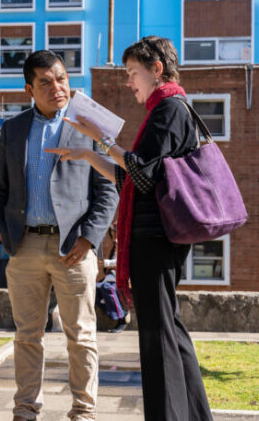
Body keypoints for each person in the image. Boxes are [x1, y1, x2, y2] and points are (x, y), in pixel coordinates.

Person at [45, 36, 213, 421]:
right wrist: (88, 154)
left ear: (157, 70)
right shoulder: (168, 107)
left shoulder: (168, 108)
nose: (128, 82)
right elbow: (131, 177)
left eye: (133, 73)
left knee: (157, 335)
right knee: (168, 328)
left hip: (155, 239)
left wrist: (100, 138)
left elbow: (141, 171)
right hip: (160, 237)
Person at [0, 49, 119, 421]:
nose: (57, 87)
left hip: (74, 247)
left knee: (81, 335)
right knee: (28, 336)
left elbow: (108, 188)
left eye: (61, 78)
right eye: (45, 82)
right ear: (29, 88)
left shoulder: (87, 123)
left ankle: (83, 411)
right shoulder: (13, 129)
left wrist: (89, 238)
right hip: (24, 246)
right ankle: (26, 410)